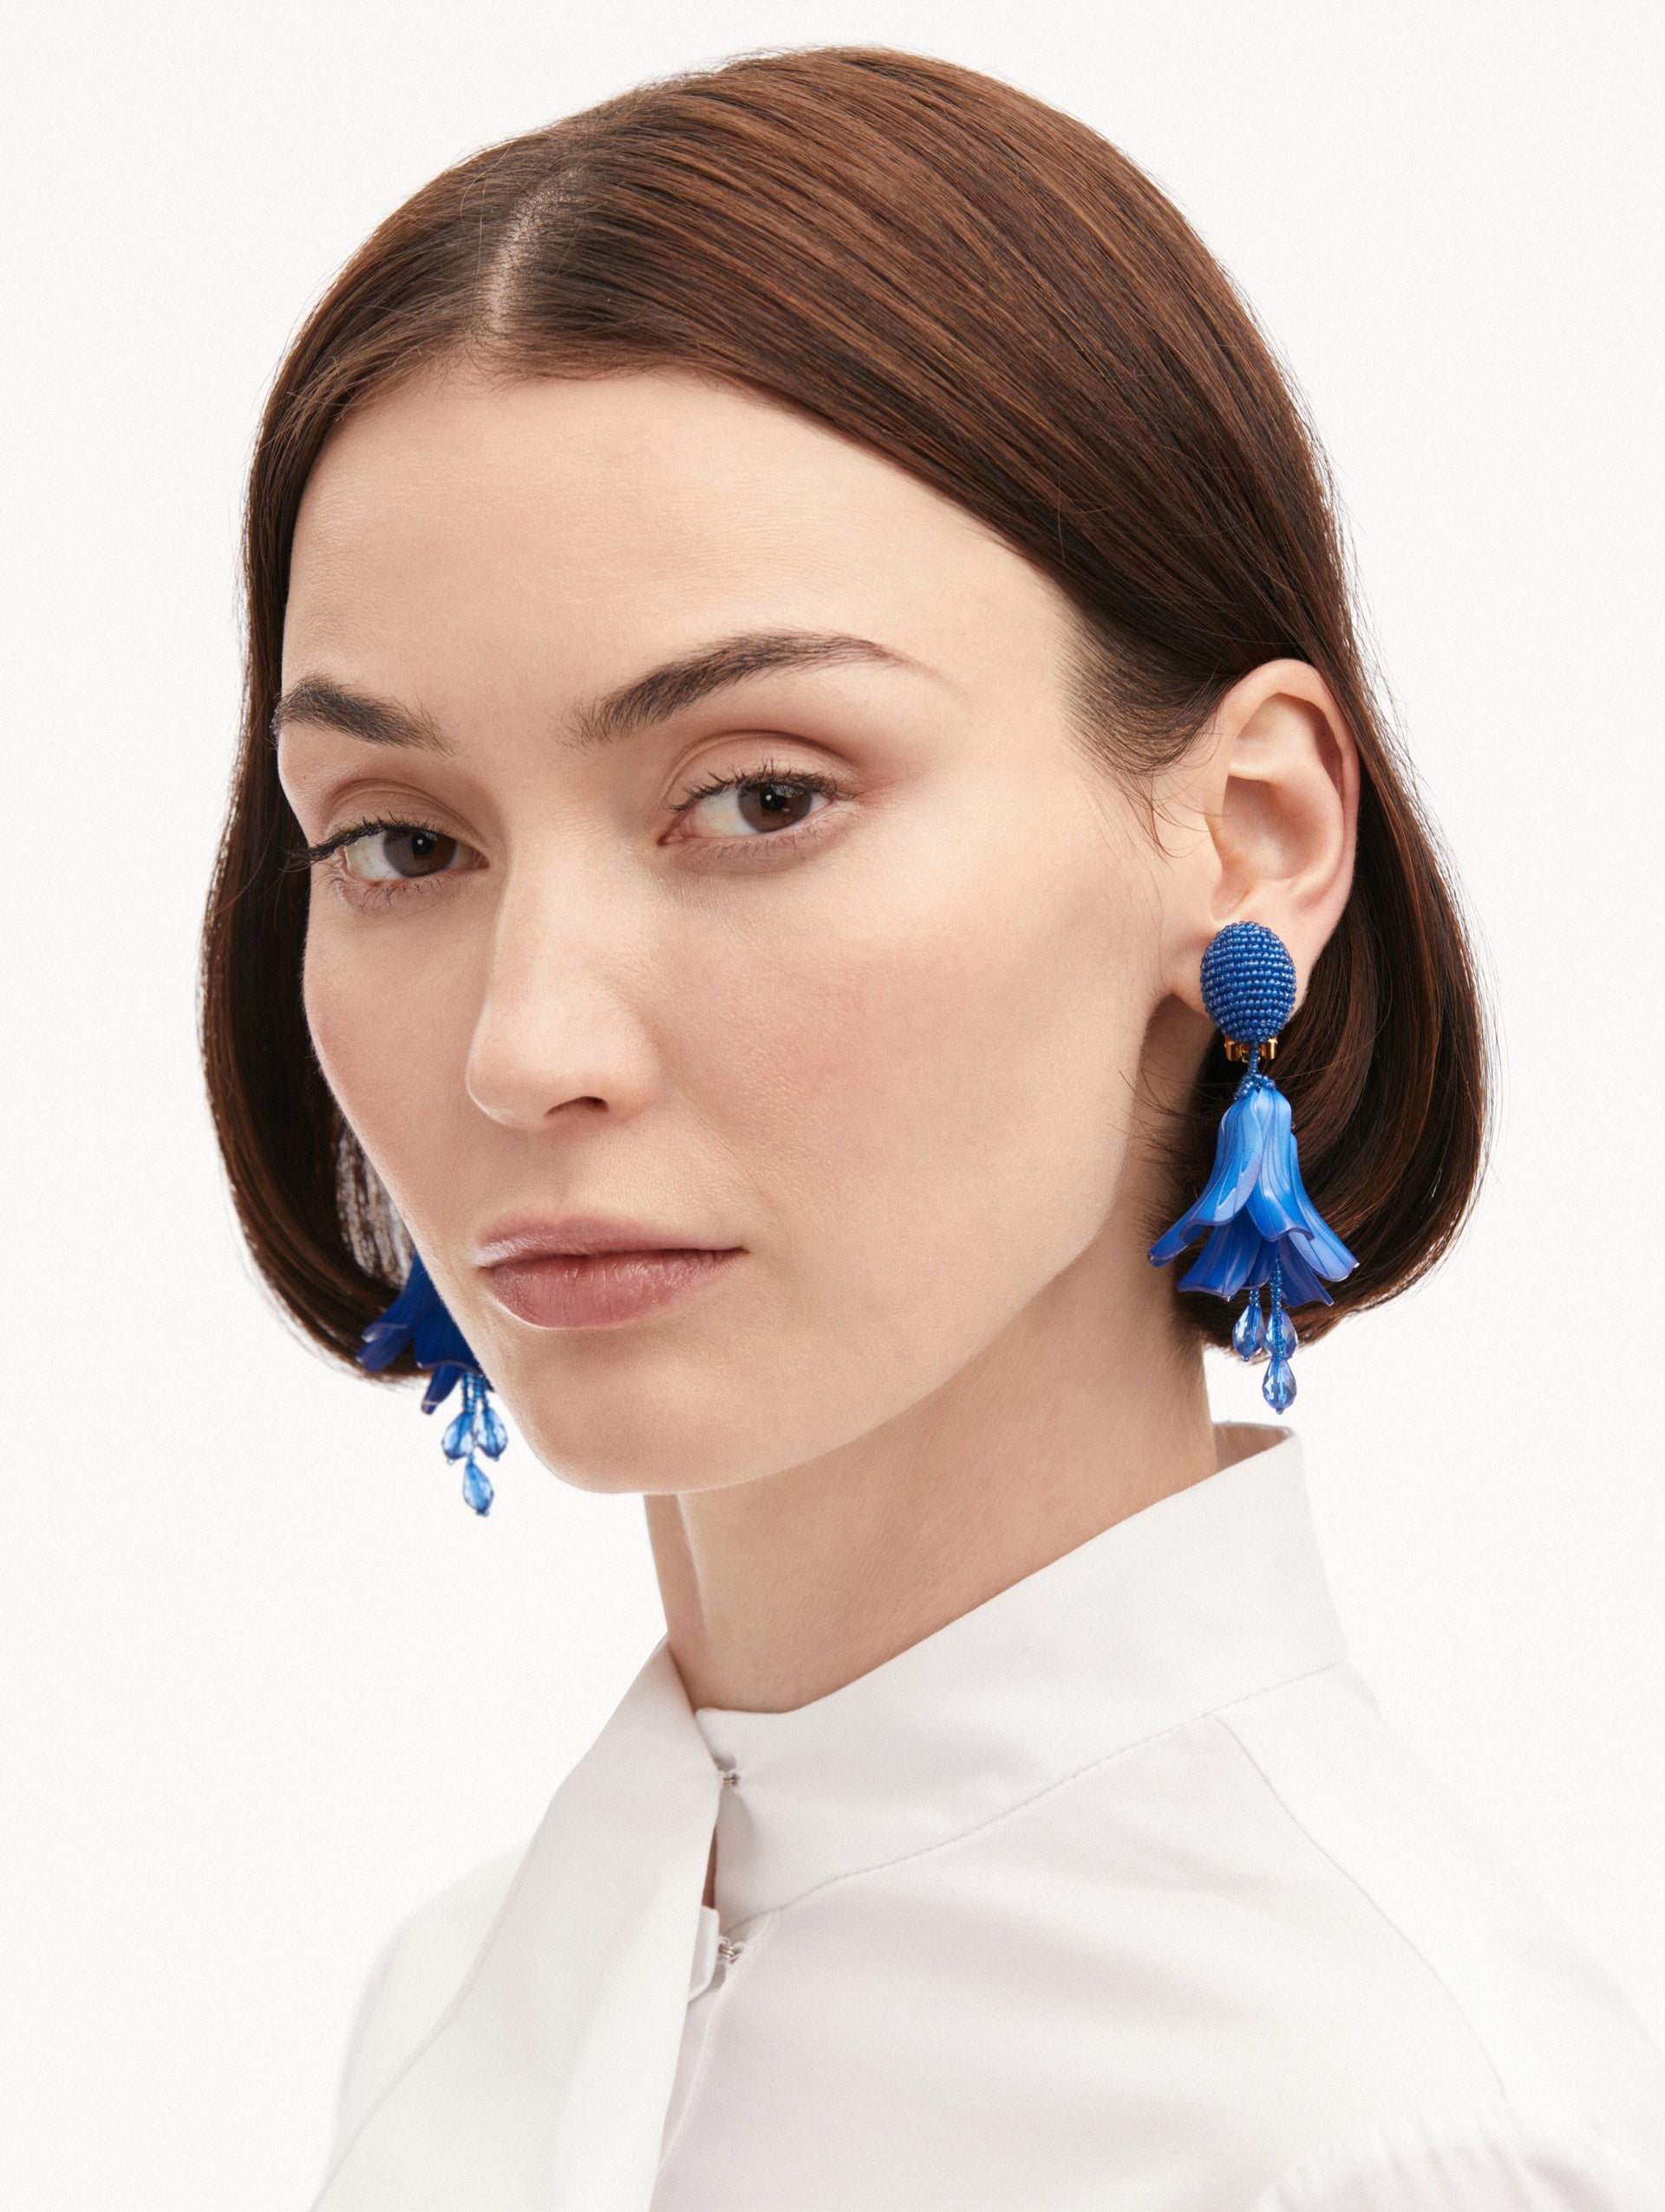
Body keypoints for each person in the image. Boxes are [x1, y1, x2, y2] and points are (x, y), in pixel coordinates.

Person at [200, 46, 1665, 2212]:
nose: (525, 1045)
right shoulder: (467, 1995)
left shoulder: (1382, 2141)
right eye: (402, 841)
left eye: (761, 796)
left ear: (1250, 837)